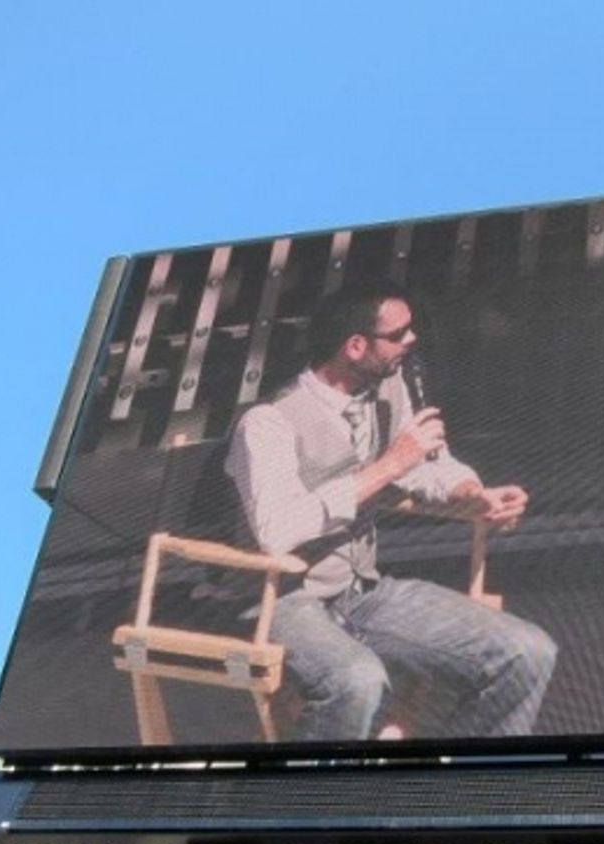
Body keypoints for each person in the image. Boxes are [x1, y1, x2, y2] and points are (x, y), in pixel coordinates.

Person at [225, 284, 556, 741]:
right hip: (279, 601)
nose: (412, 339)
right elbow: (276, 531)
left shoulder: (387, 389)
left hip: (360, 590)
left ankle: (460, 791)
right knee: (356, 681)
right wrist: (388, 466)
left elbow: (422, 465)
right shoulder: (267, 423)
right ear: (355, 346)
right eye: (399, 333)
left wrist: (471, 492)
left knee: (527, 651)